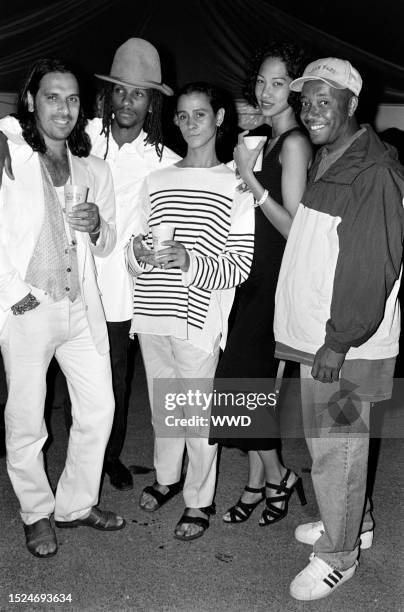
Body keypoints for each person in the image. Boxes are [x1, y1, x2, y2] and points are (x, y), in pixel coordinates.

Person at [0, 38, 179, 491]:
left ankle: (107, 459)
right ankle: (47, 478)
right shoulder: (83, 132)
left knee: (109, 387)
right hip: (46, 286)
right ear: (107, 94)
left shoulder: (165, 163)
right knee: (39, 394)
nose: (127, 101)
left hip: (114, 289)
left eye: (138, 93)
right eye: (119, 90)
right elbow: (25, 122)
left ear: (152, 101)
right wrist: (2, 133)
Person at [273, 58, 404, 600]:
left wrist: (337, 340)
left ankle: (338, 555)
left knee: (337, 447)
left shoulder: (371, 171)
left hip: (344, 345)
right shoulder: (336, 157)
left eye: (325, 100)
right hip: (325, 338)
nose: (311, 110)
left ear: (353, 103)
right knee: (339, 446)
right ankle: (353, 523)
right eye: (306, 100)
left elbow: (371, 265)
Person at [0, 58, 125, 559]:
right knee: (28, 418)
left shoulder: (94, 169)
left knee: (100, 408)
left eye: (73, 99)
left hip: (80, 306)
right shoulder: (11, 156)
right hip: (29, 306)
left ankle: (76, 503)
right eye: (53, 96)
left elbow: (108, 240)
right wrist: (15, 300)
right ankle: (36, 512)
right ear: (32, 100)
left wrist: (96, 225)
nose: (64, 108)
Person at [126, 81, 255, 541]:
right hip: (152, 310)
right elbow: (133, 249)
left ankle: (199, 500)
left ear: (220, 118)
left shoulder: (236, 184)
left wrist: (190, 261)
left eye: (200, 114)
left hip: (199, 316)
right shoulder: (157, 179)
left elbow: (240, 265)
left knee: (198, 417)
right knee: (165, 407)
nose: (191, 123)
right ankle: (166, 477)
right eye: (182, 115)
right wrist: (139, 252)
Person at [209, 42, 312, 526]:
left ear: (295, 88)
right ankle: (262, 481)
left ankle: (279, 477)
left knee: (250, 393)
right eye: (261, 82)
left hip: (275, 285)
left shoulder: (293, 143)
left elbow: (295, 228)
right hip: (250, 278)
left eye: (278, 83)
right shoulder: (267, 137)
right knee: (243, 391)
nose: (266, 92)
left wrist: (251, 180)